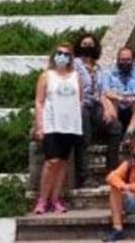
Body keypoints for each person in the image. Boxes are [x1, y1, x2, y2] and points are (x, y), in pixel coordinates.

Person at [33, 44, 84, 215]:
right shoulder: (46, 76)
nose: (62, 56)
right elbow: (39, 102)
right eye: (59, 53)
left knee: (62, 163)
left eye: (66, 54)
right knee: (51, 162)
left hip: (70, 125)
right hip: (51, 123)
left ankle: (56, 199)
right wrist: (40, 126)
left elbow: (80, 99)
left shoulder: (76, 76)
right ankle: (42, 199)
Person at [98, 47, 135, 168]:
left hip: (134, 111)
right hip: (116, 109)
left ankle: (129, 132)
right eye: (122, 59)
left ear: (133, 60)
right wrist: (119, 98)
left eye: (128, 59)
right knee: (108, 99)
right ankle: (116, 128)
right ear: (118, 60)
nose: (125, 62)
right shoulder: (108, 73)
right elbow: (105, 90)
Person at [73, 33, 105, 189]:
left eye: (90, 44)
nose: (87, 47)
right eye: (84, 44)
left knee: (115, 126)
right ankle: (84, 176)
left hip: (96, 105)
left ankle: (112, 169)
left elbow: (102, 91)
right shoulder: (74, 65)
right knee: (84, 134)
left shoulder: (98, 68)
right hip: (81, 105)